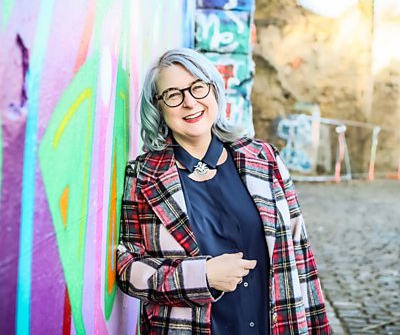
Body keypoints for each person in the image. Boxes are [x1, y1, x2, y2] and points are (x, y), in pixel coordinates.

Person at [116, 48, 331, 335]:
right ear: (158, 106)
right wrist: (201, 277)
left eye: (198, 87)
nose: (189, 102)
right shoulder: (144, 176)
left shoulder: (264, 159)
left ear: (214, 90)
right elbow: (127, 267)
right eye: (173, 94)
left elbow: (299, 251)